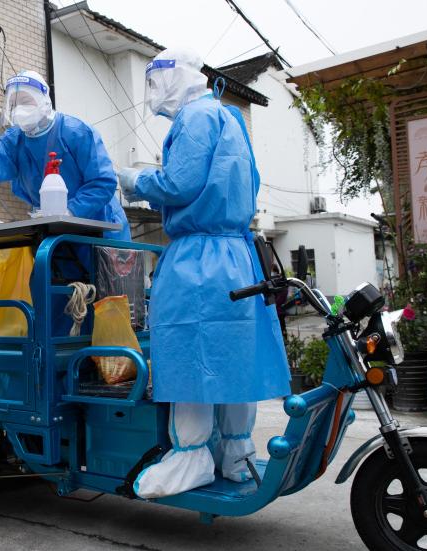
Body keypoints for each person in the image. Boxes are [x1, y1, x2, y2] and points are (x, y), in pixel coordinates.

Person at [117, 49, 290, 498]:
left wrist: (134, 179)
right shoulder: (229, 117)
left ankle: (191, 455)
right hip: (237, 254)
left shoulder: (192, 120)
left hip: (198, 259)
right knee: (232, 356)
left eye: (155, 81)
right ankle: (236, 452)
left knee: (189, 354)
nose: (152, 93)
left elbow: (180, 184)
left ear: (172, 77)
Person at [0, 70, 131, 241]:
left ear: (44, 100)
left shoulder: (76, 132)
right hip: (54, 235)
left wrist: (71, 211)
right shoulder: (14, 141)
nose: (19, 109)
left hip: (101, 231)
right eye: (13, 104)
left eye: (25, 101)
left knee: (98, 280)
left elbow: (102, 182)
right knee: (55, 279)